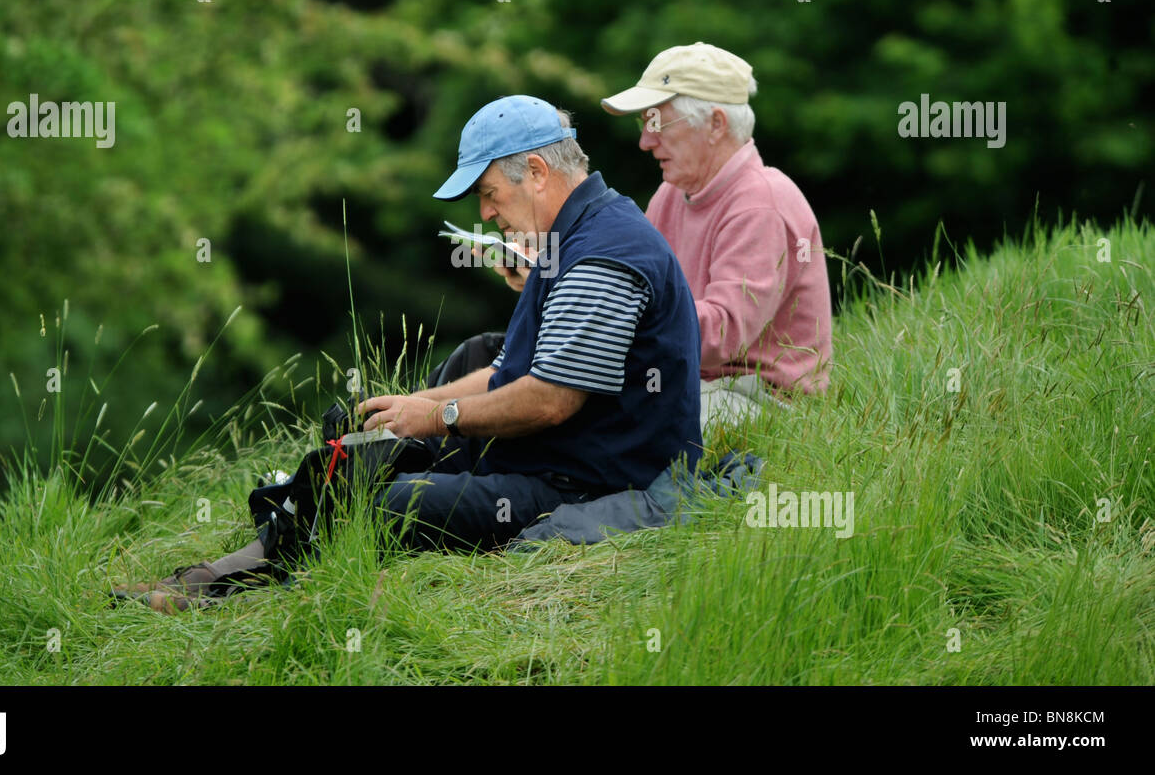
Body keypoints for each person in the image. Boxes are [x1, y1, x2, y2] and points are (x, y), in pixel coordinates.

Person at [113, 94, 704, 611]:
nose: (485, 213)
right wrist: (412, 407)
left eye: (489, 193)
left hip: (587, 483)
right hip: (544, 457)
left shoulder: (603, 255)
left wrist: (439, 417)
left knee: (383, 506)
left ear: (537, 171)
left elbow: (549, 400)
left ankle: (234, 593)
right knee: (358, 446)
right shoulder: (566, 239)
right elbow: (507, 373)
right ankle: (227, 573)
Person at [487, 44, 833, 430]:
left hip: (757, 398)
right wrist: (550, 273)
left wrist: (611, 305)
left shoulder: (760, 204)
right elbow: (640, 280)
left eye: (657, 125)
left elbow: (721, 338)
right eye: (642, 126)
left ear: (716, 124)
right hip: (689, 381)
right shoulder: (673, 193)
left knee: (582, 420)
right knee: (520, 374)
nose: (645, 142)